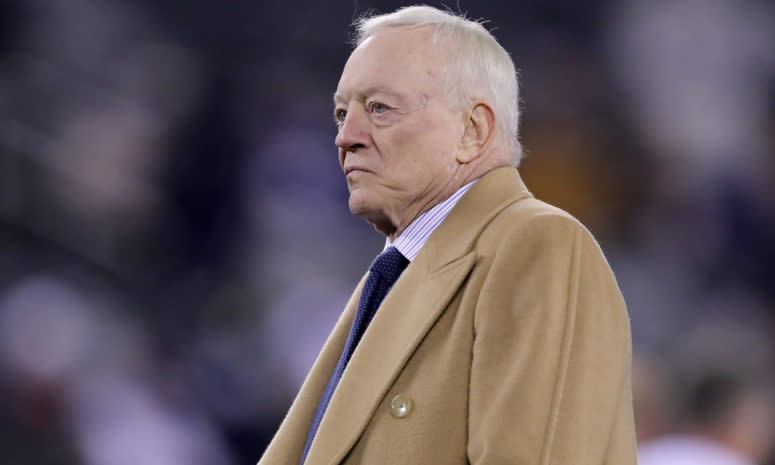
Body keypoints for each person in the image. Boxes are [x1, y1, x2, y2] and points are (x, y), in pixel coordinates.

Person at [258, 6, 636, 465]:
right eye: (342, 112)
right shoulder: (393, 276)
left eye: (379, 108)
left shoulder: (538, 244)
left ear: (472, 131)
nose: (346, 136)